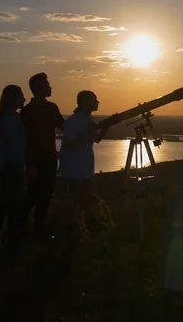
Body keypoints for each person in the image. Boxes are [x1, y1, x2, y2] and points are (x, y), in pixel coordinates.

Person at [58, 90, 108, 249]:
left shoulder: (88, 118)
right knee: (75, 201)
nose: (98, 102)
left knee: (85, 199)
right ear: (85, 102)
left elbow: (95, 139)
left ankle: (80, 231)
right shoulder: (74, 121)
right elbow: (71, 145)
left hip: (84, 167)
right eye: (95, 99)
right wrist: (89, 132)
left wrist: (106, 127)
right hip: (75, 168)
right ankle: (66, 233)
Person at [20, 72, 66, 234]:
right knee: (32, 195)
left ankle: (37, 228)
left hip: (50, 159)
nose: (50, 87)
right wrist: (29, 163)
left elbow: (64, 127)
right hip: (35, 161)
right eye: (47, 84)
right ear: (39, 88)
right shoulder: (27, 112)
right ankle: (19, 229)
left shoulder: (52, 108)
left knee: (46, 195)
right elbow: (24, 141)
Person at [0, 84, 26, 249]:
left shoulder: (10, 118)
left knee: (7, 204)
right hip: (12, 168)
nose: (24, 99)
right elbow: (15, 146)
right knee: (11, 205)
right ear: (13, 99)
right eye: (21, 96)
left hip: (11, 167)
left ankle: (1, 237)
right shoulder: (11, 120)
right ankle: (6, 239)